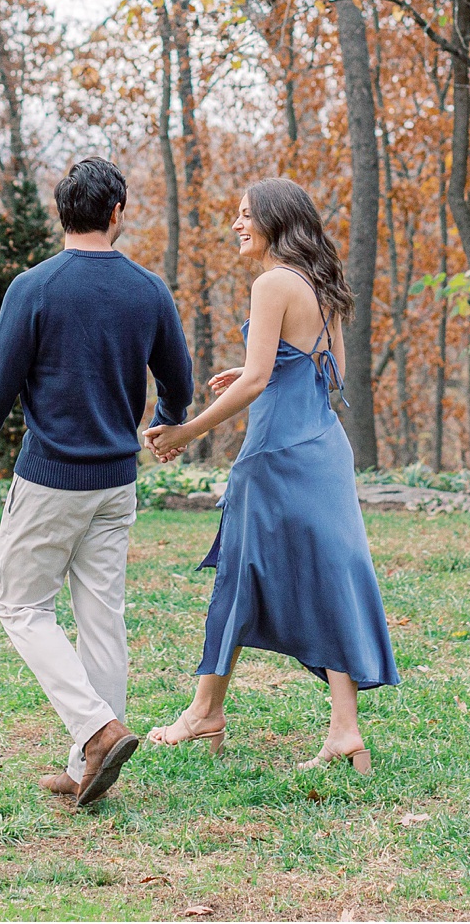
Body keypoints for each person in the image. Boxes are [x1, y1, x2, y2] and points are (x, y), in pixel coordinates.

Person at [0, 156, 195, 806]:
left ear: (63, 212)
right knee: (101, 619)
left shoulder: (34, 288)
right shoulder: (148, 290)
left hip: (51, 480)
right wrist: (167, 425)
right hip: (117, 482)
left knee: (20, 604)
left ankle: (95, 731)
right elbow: (179, 382)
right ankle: (90, 759)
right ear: (116, 213)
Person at [142, 178, 400, 774]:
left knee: (237, 574)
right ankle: (344, 731)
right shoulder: (320, 283)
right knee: (330, 577)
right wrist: (262, 365)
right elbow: (320, 368)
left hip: (275, 453)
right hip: (324, 448)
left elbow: (260, 381)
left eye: (245, 215)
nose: (237, 224)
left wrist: (186, 431)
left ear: (275, 222)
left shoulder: (271, 283)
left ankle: (205, 711)